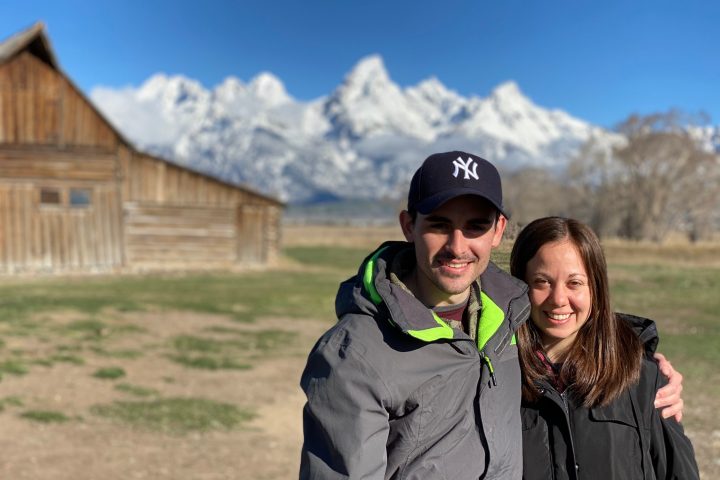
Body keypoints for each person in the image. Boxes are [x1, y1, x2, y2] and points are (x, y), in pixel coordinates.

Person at [299, 151, 684, 480]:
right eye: (438, 224)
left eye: (475, 226)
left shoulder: (507, 323)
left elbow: (575, 321)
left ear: (498, 231)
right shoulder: (355, 355)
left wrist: (645, 361)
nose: (457, 246)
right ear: (408, 226)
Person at [510, 216, 698, 479]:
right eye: (542, 282)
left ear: (595, 288)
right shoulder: (498, 381)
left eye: (574, 283)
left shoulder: (642, 378)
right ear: (520, 285)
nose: (559, 299)